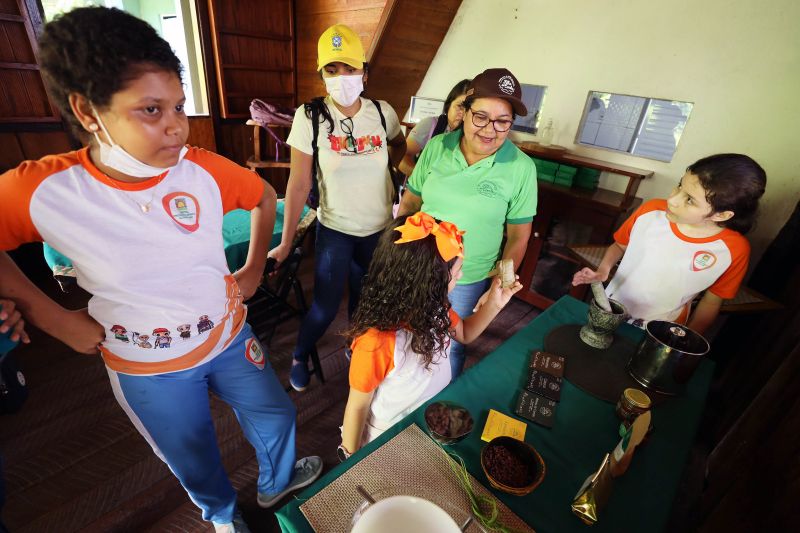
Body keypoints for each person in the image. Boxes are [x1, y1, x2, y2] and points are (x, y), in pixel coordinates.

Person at [0, 8, 321, 532]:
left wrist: (254, 269)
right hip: (147, 364)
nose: (177, 126)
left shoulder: (200, 168)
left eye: (178, 105)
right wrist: (51, 316)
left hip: (226, 333)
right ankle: (222, 517)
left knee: (277, 414)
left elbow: (263, 196)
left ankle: (276, 484)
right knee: (192, 456)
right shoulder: (45, 190)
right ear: (88, 111)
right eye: (151, 110)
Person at [268, 24, 407, 392]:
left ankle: (353, 347)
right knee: (325, 307)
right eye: (332, 70)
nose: (341, 77)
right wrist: (285, 242)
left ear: (364, 71)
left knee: (365, 300)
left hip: (377, 230)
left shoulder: (381, 112)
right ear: (322, 74)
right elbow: (298, 184)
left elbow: (399, 147)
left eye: (349, 68)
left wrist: (387, 169)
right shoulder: (309, 117)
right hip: (335, 231)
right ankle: (300, 353)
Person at [338, 213, 521, 458]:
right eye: (455, 274)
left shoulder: (434, 308)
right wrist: (350, 458)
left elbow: (465, 333)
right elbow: (357, 406)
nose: (460, 277)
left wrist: (495, 305)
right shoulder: (377, 341)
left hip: (427, 421)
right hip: (387, 437)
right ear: (426, 282)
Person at [398, 68, 538, 379]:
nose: (490, 129)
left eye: (503, 121)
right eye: (481, 117)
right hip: (417, 266)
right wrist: (394, 255)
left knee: (452, 344)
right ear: (466, 111)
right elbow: (410, 203)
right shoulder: (438, 147)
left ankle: (441, 402)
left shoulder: (521, 168)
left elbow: (519, 236)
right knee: (405, 334)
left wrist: (500, 283)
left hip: (467, 278)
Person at [572, 154, 767, 334]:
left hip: (661, 330)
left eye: (689, 200)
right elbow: (619, 245)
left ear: (721, 214)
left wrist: (684, 345)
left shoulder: (734, 250)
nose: (672, 200)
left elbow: (711, 302)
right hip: (609, 308)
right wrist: (603, 270)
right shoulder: (650, 211)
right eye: (679, 186)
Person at [398, 79, 471, 176]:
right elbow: (402, 158)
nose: (463, 113)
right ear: (449, 105)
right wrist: (422, 179)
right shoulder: (431, 124)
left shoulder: (475, 135)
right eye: (459, 106)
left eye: (469, 108)